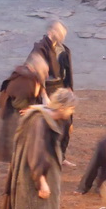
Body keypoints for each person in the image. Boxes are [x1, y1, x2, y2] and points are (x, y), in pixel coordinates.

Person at [1, 88, 76, 209]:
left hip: (41, 173)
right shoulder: (39, 122)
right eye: (71, 108)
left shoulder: (46, 116)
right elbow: (35, 153)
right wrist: (41, 182)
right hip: (31, 177)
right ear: (63, 107)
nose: (72, 112)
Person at [31, 20, 75, 161]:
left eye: (63, 33)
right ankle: (49, 156)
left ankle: (61, 156)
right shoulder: (40, 49)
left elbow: (67, 72)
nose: (62, 36)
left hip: (61, 87)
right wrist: (44, 96)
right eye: (59, 32)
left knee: (67, 122)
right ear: (51, 32)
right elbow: (37, 73)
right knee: (50, 123)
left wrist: (69, 89)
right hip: (47, 89)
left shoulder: (63, 49)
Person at [0, 54, 49, 162]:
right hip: (15, 117)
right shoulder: (24, 81)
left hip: (22, 116)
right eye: (45, 72)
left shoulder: (33, 78)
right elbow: (20, 106)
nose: (46, 75)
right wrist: (35, 108)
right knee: (17, 151)